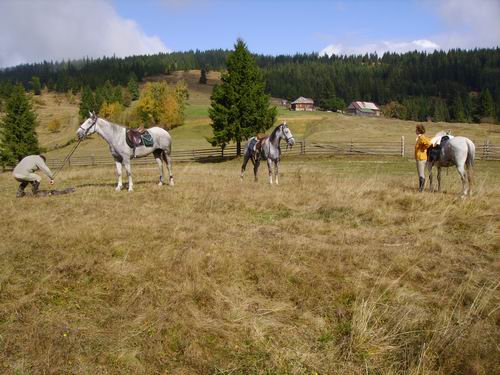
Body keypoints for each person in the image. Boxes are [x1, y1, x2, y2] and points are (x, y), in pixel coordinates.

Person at [415, 124, 432, 192]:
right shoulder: (421, 137)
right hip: (422, 157)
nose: (415, 131)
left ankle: (421, 189)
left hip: (421, 158)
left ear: (419, 131)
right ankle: (421, 189)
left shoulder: (421, 138)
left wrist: (424, 148)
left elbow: (428, 143)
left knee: (421, 174)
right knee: (421, 173)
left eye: (416, 129)